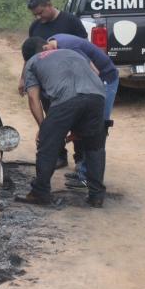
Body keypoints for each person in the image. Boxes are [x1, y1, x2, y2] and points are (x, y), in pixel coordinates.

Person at [17, 37, 107, 207]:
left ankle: (40, 193)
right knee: (94, 147)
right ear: (44, 46)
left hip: (67, 99)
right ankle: (96, 196)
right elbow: (95, 73)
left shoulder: (32, 62)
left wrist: (43, 127)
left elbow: (33, 97)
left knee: (47, 145)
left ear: (27, 57)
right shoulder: (72, 52)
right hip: (97, 96)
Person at [19, 0, 89, 167]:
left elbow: (83, 49)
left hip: (72, 80)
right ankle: (59, 155)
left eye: (41, 12)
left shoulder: (71, 22)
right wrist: (23, 78)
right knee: (53, 119)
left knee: (77, 120)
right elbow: (30, 56)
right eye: (35, 14)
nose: (38, 17)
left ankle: (80, 158)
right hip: (47, 82)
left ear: (49, 5)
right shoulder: (35, 26)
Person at [42, 34, 118, 189]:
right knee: (85, 123)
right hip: (91, 83)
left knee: (97, 128)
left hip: (105, 80)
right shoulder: (53, 40)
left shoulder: (70, 48)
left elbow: (94, 72)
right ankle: (83, 171)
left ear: (46, 47)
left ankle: (87, 177)